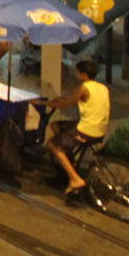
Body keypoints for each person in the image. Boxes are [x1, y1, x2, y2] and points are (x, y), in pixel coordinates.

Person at [34, 59, 110, 195]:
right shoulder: (102, 88)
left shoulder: (83, 88)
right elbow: (74, 100)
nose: (75, 73)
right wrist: (61, 99)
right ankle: (67, 161)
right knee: (56, 126)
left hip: (87, 130)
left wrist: (43, 103)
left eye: (77, 71)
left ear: (83, 74)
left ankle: (75, 179)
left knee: (52, 144)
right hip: (100, 129)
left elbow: (66, 104)